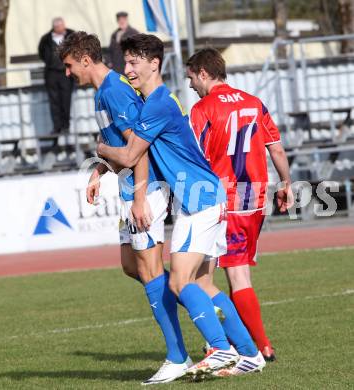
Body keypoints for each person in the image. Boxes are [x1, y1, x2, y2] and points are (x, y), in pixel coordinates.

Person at [96, 33, 257, 379]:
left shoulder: (157, 104)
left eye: (133, 62)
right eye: (126, 63)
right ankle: (249, 352)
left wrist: (100, 150)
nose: (127, 70)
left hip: (198, 200)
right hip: (205, 197)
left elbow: (128, 154)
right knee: (202, 285)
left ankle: (220, 349)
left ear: (154, 63)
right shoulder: (156, 101)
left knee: (178, 282)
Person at [58, 31, 192, 385]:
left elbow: (139, 146)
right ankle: (204, 309)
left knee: (150, 272)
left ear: (85, 60)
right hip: (131, 187)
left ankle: (179, 355)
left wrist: (138, 198)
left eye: (70, 66)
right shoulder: (105, 91)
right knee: (132, 267)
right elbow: (119, 144)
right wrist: (99, 172)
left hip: (143, 189)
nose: (68, 73)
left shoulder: (115, 90)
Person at [186, 48, 294, 374]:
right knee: (237, 269)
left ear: (204, 73)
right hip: (256, 198)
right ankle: (239, 340)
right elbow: (275, 147)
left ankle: (261, 348)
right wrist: (286, 182)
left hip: (226, 199)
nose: (190, 84)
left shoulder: (203, 109)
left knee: (230, 274)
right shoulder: (254, 102)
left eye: (191, 77)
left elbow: (196, 157)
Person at [38, 17, 74, 135]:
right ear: (55, 27)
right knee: (54, 101)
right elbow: (41, 53)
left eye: (63, 25)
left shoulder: (71, 35)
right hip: (51, 73)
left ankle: (66, 126)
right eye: (59, 26)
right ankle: (56, 127)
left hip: (66, 72)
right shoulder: (46, 39)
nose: (62, 28)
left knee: (66, 100)